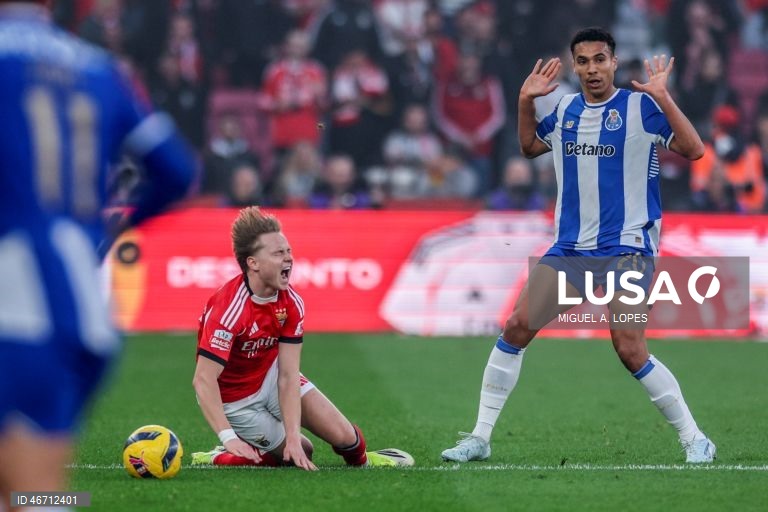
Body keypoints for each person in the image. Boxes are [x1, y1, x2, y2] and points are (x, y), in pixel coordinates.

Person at [441, 27, 716, 464]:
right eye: (583, 61)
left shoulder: (640, 107)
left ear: (613, 62)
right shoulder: (566, 109)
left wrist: (664, 97)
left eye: (600, 59)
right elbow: (530, 146)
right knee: (516, 327)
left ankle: (695, 438)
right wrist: (524, 101)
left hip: (628, 248)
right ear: (575, 65)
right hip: (571, 250)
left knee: (629, 347)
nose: (592, 69)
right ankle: (480, 437)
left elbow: (695, 149)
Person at [0, 0, 196, 507]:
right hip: (84, 309)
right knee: (37, 492)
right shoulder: (96, 67)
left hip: (18, 297)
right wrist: (108, 228)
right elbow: (177, 170)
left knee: (28, 491)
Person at [191, 207, 413, 470]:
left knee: (346, 439)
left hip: (270, 377)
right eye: (278, 253)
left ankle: (365, 461)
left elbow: (287, 374)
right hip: (236, 401)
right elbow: (203, 379)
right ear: (253, 263)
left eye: (288, 251)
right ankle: (220, 455)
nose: (288, 259)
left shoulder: (292, 303)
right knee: (297, 456)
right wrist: (227, 436)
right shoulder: (229, 308)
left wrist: (293, 437)